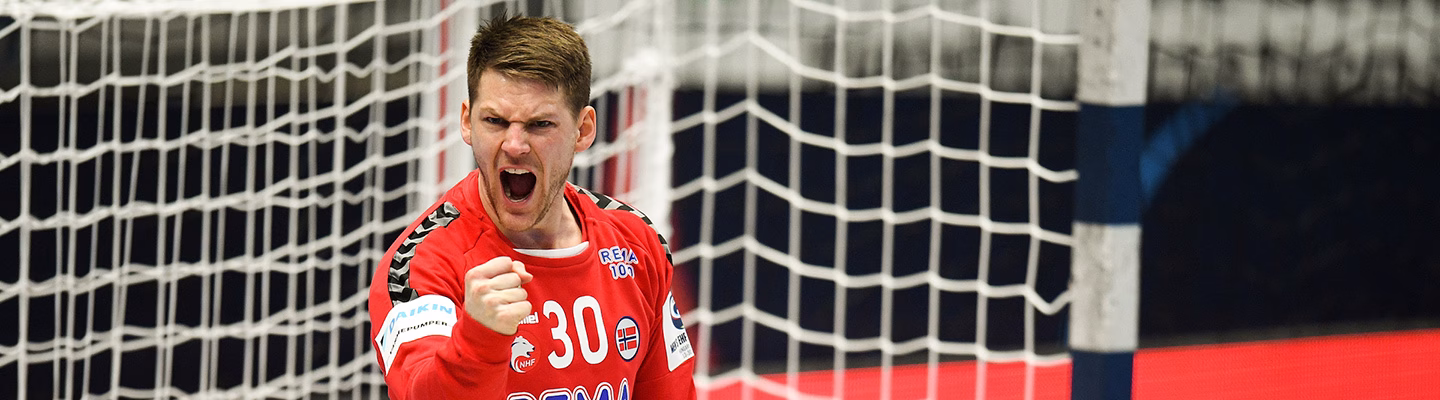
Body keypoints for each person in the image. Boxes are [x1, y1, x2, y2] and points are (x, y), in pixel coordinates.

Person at [367, 15, 696, 399]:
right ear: (467, 122)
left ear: (583, 130)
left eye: (540, 124)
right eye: (495, 121)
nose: (514, 145)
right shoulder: (421, 265)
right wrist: (479, 337)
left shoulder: (635, 240)